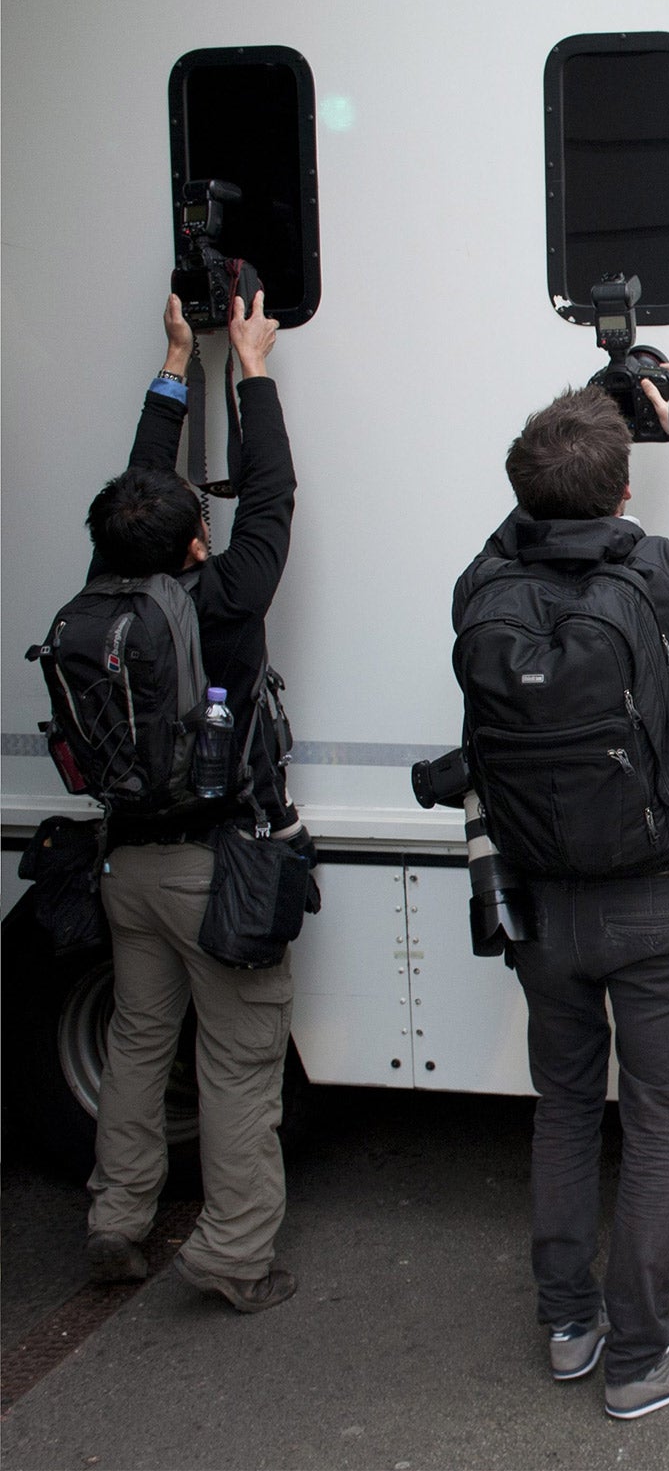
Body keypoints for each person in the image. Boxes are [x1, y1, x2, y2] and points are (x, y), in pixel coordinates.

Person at [451, 365, 669, 1420]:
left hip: (537, 907)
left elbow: (526, 521)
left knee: (562, 1110)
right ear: (624, 491)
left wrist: (578, 432)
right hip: (654, 904)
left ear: (522, 488)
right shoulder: (667, 579)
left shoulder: (481, 590)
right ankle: (639, 1359)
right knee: (654, 1128)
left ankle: (568, 1327)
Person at [84, 290, 305, 1313]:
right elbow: (272, 496)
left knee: (137, 1040)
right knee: (236, 1062)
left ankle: (117, 1220)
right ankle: (231, 1256)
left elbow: (138, 491)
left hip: (125, 860)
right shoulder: (224, 602)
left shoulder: (104, 590)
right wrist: (252, 370)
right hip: (213, 869)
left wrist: (177, 370)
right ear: (194, 546)